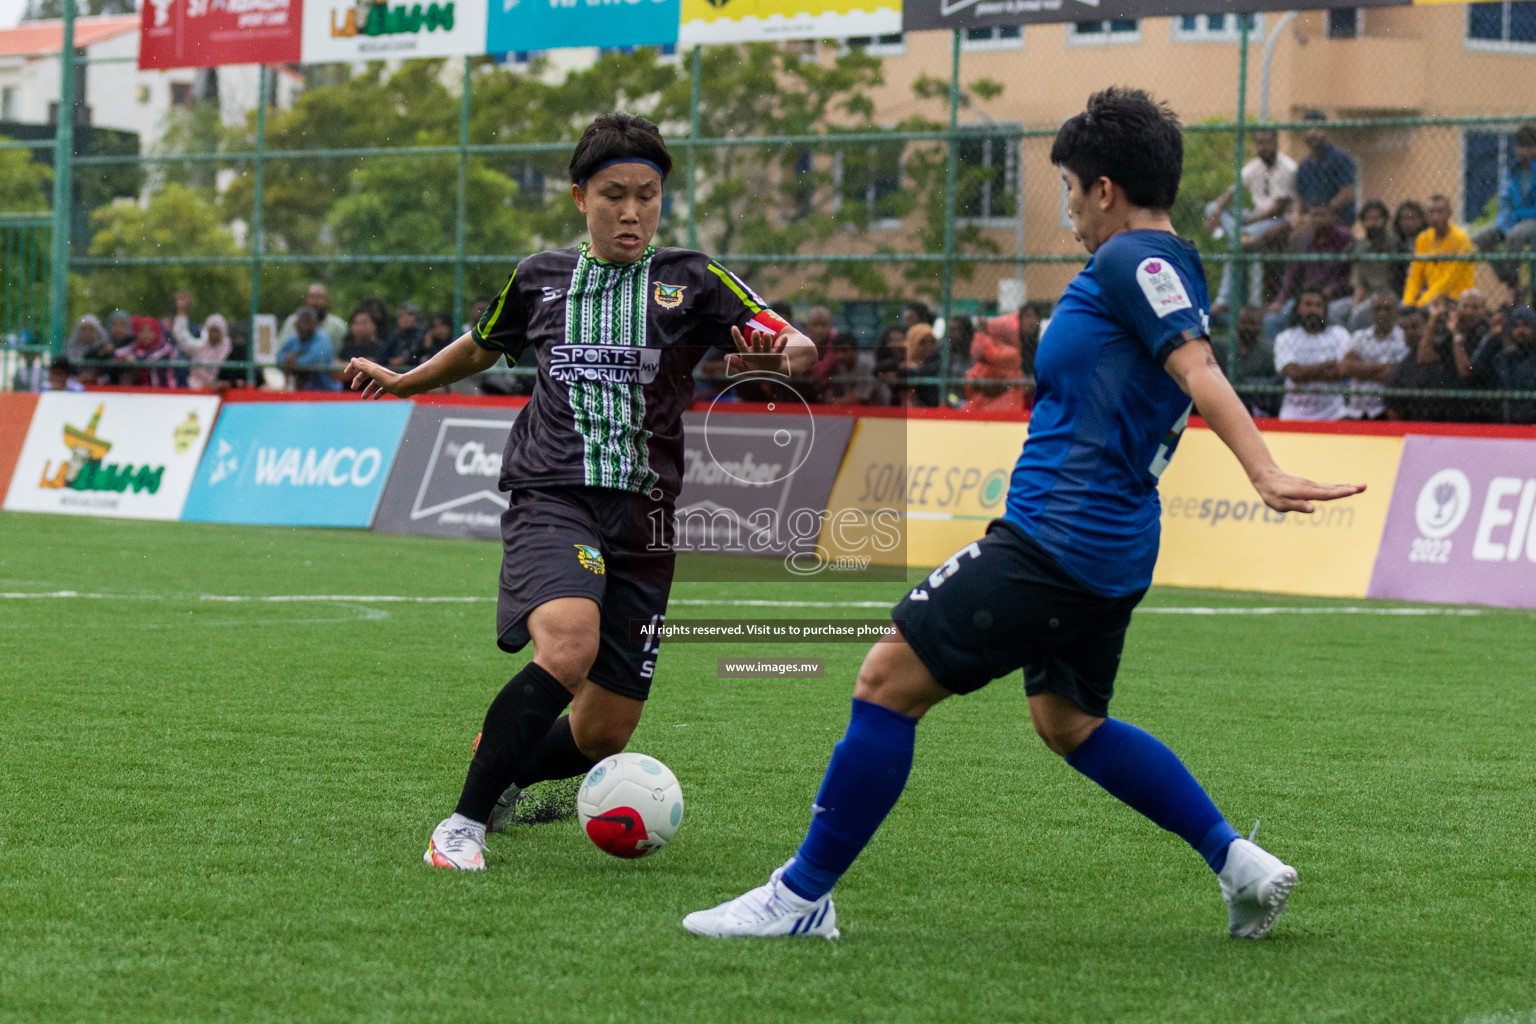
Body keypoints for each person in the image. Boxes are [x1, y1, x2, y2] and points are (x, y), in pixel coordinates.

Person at [683, 88, 1361, 942]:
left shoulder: (1130, 261)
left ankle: (799, 898)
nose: (1069, 210)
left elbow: (1198, 368)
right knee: (1068, 723)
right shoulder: (1168, 262)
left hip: (1058, 541)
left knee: (884, 684)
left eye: (1072, 190)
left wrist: (1261, 466)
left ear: (1105, 188)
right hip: (1107, 542)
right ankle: (1238, 864)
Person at [341, 112, 817, 872]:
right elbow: (483, 342)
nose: (631, 212)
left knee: (603, 733)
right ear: (579, 198)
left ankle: (506, 768)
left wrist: (785, 349)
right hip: (552, 490)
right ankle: (461, 826)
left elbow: (789, 339)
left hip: (645, 516)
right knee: (568, 644)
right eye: (613, 195)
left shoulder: (692, 279)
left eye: (648, 196)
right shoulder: (540, 278)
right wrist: (406, 382)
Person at [1205, 127, 1297, 311]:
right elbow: (1233, 191)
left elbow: (1278, 209)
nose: (1263, 147)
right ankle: (1240, 235)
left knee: (1235, 247)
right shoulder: (1255, 166)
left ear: (1276, 143)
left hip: (1277, 221)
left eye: (1267, 142)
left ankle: (1224, 300)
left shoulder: (1288, 167)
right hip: (1254, 220)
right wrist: (1217, 210)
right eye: (1259, 143)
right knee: (1209, 207)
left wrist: (1248, 224)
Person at [1265, 204, 1355, 340]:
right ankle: (1277, 357)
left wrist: (1333, 289)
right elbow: (1292, 275)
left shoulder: (1344, 238)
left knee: (1330, 315)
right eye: (1314, 215)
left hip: (1336, 297)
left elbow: (1351, 275)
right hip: (1308, 296)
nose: (1318, 219)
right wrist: (1280, 300)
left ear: (1332, 217)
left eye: (1322, 215)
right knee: (1272, 320)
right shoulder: (1304, 239)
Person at [1473, 126, 1536, 306]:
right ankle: (1510, 280)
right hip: (1514, 219)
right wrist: (1503, 223)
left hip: (1532, 218)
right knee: (1483, 238)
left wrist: (1517, 219)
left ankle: (1512, 286)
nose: (1523, 151)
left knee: (1514, 236)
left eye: (1529, 146)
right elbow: (1505, 200)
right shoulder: (1513, 170)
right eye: (1520, 146)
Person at [1274, 287, 1351, 421]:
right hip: (1293, 415)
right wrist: (1326, 366)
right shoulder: (1285, 337)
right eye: (1308, 305)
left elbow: (1341, 372)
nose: (1313, 310)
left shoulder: (1340, 334)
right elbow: (1294, 374)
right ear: (1298, 308)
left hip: (1333, 414)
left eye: (1318, 305)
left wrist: (1306, 371)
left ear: (1325, 310)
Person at [1340, 291, 1409, 420]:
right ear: (1371, 312)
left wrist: (1360, 370)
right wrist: (1382, 369)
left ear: (1396, 312)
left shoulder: (1403, 339)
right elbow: (1345, 368)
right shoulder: (1359, 337)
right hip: (1357, 412)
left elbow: (1394, 375)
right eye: (1378, 309)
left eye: (1388, 309)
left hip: (1385, 412)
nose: (1382, 313)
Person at [1403, 194, 1476, 307]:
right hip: (1430, 297)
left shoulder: (1461, 238)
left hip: (1456, 298)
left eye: (1440, 211)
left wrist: (1421, 303)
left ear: (1449, 213)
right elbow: (1414, 275)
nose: (1436, 217)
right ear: (1426, 216)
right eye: (1432, 212)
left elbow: (1449, 280)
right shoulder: (1423, 238)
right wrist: (1407, 302)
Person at [1346, 200, 1402, 330]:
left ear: (1385, 220)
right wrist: (1355, 306)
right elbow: (1359, 285)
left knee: (1359, 315)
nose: (1373, 223)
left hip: (1389, 295)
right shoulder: (1361, 248)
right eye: (1369, 219)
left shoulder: (1394, 243)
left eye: (1377, 219)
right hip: (1368, 296)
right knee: (1336, 312)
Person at [1295, 110, 1357, 226]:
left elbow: (1348, 193)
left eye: (1318, 128)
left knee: (1299, 237)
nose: (1313, 133)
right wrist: (1296, 215)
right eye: (1308, 128)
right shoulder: (1304, 165)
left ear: (1325, 130)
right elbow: (1300, 196)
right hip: (1311, 220)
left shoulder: (1339, 158)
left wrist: (1319, 214)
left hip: (1336, 220)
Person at [1222, 305, 1280, 418]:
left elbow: (1272, 383)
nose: (1247, 327)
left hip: (1255, 408)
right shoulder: (1222, 349)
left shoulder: (1267, 353)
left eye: (1252, 323)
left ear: (1260, 326)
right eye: (1243, 322)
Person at [276, 306, 340, 392]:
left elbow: (315, 360)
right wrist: (286, 359)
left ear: (315, 324)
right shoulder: (294, 339)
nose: (304, 326)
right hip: (301, 392)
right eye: (301, 322)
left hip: (325, 391)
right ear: (296, 324)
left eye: (307, 322)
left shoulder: (323, 339)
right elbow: (279, 356)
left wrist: (295, 362)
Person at [1494, 306, 1536, 423]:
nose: (1520, 331)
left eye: (1526, 325)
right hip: (1511, 420)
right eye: (1516, 326)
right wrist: (1492, 339)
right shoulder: (1506, 356)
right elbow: (1479, 370)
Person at [173, 312, 232, 390]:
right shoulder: (200, 345)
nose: (214, 334)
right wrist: (181, 313)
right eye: (212, 331)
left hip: (219, 389)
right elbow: (182, 338)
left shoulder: (228, 349)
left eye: (217, 331)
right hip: (195, 387)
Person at [114, 316, 176, 387]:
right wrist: (126, 356)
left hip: (164, 390)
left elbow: (150, 358)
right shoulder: (136, 345)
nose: (145, 335)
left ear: (156, 332)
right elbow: (117, 353)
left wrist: (134, 357)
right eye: (142, 331)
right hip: (143, 390)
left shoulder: (165, 348)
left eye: (150, 331)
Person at [279, 283, 348, 345]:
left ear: (327, 301)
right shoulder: (292, 321)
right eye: (312, 297)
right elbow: (281, 346)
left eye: (320, 297)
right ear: (305, 300)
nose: (315, 301)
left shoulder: (338, 326)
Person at [1391, 200, 1427, 298]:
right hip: (1402, 293)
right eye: (1404, 218)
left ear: (1422, 219)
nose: (1408, 223)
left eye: (1412, 218)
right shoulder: (1397, 245)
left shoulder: (1429, 241)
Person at [902, 322, 942, 408]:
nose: (929, 345)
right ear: (913, 342)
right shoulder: (902, 360)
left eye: (932, 341)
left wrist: (912, 369)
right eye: (922, 342)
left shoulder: (937, 361)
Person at [384, 302, 424, 368]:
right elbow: (383, 356)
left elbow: (420, 355)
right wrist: (390, 361)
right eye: (401, 315)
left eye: (409, 314)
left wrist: (406, 360)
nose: (405, 318)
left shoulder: (423, 333)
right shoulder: (394, 336)